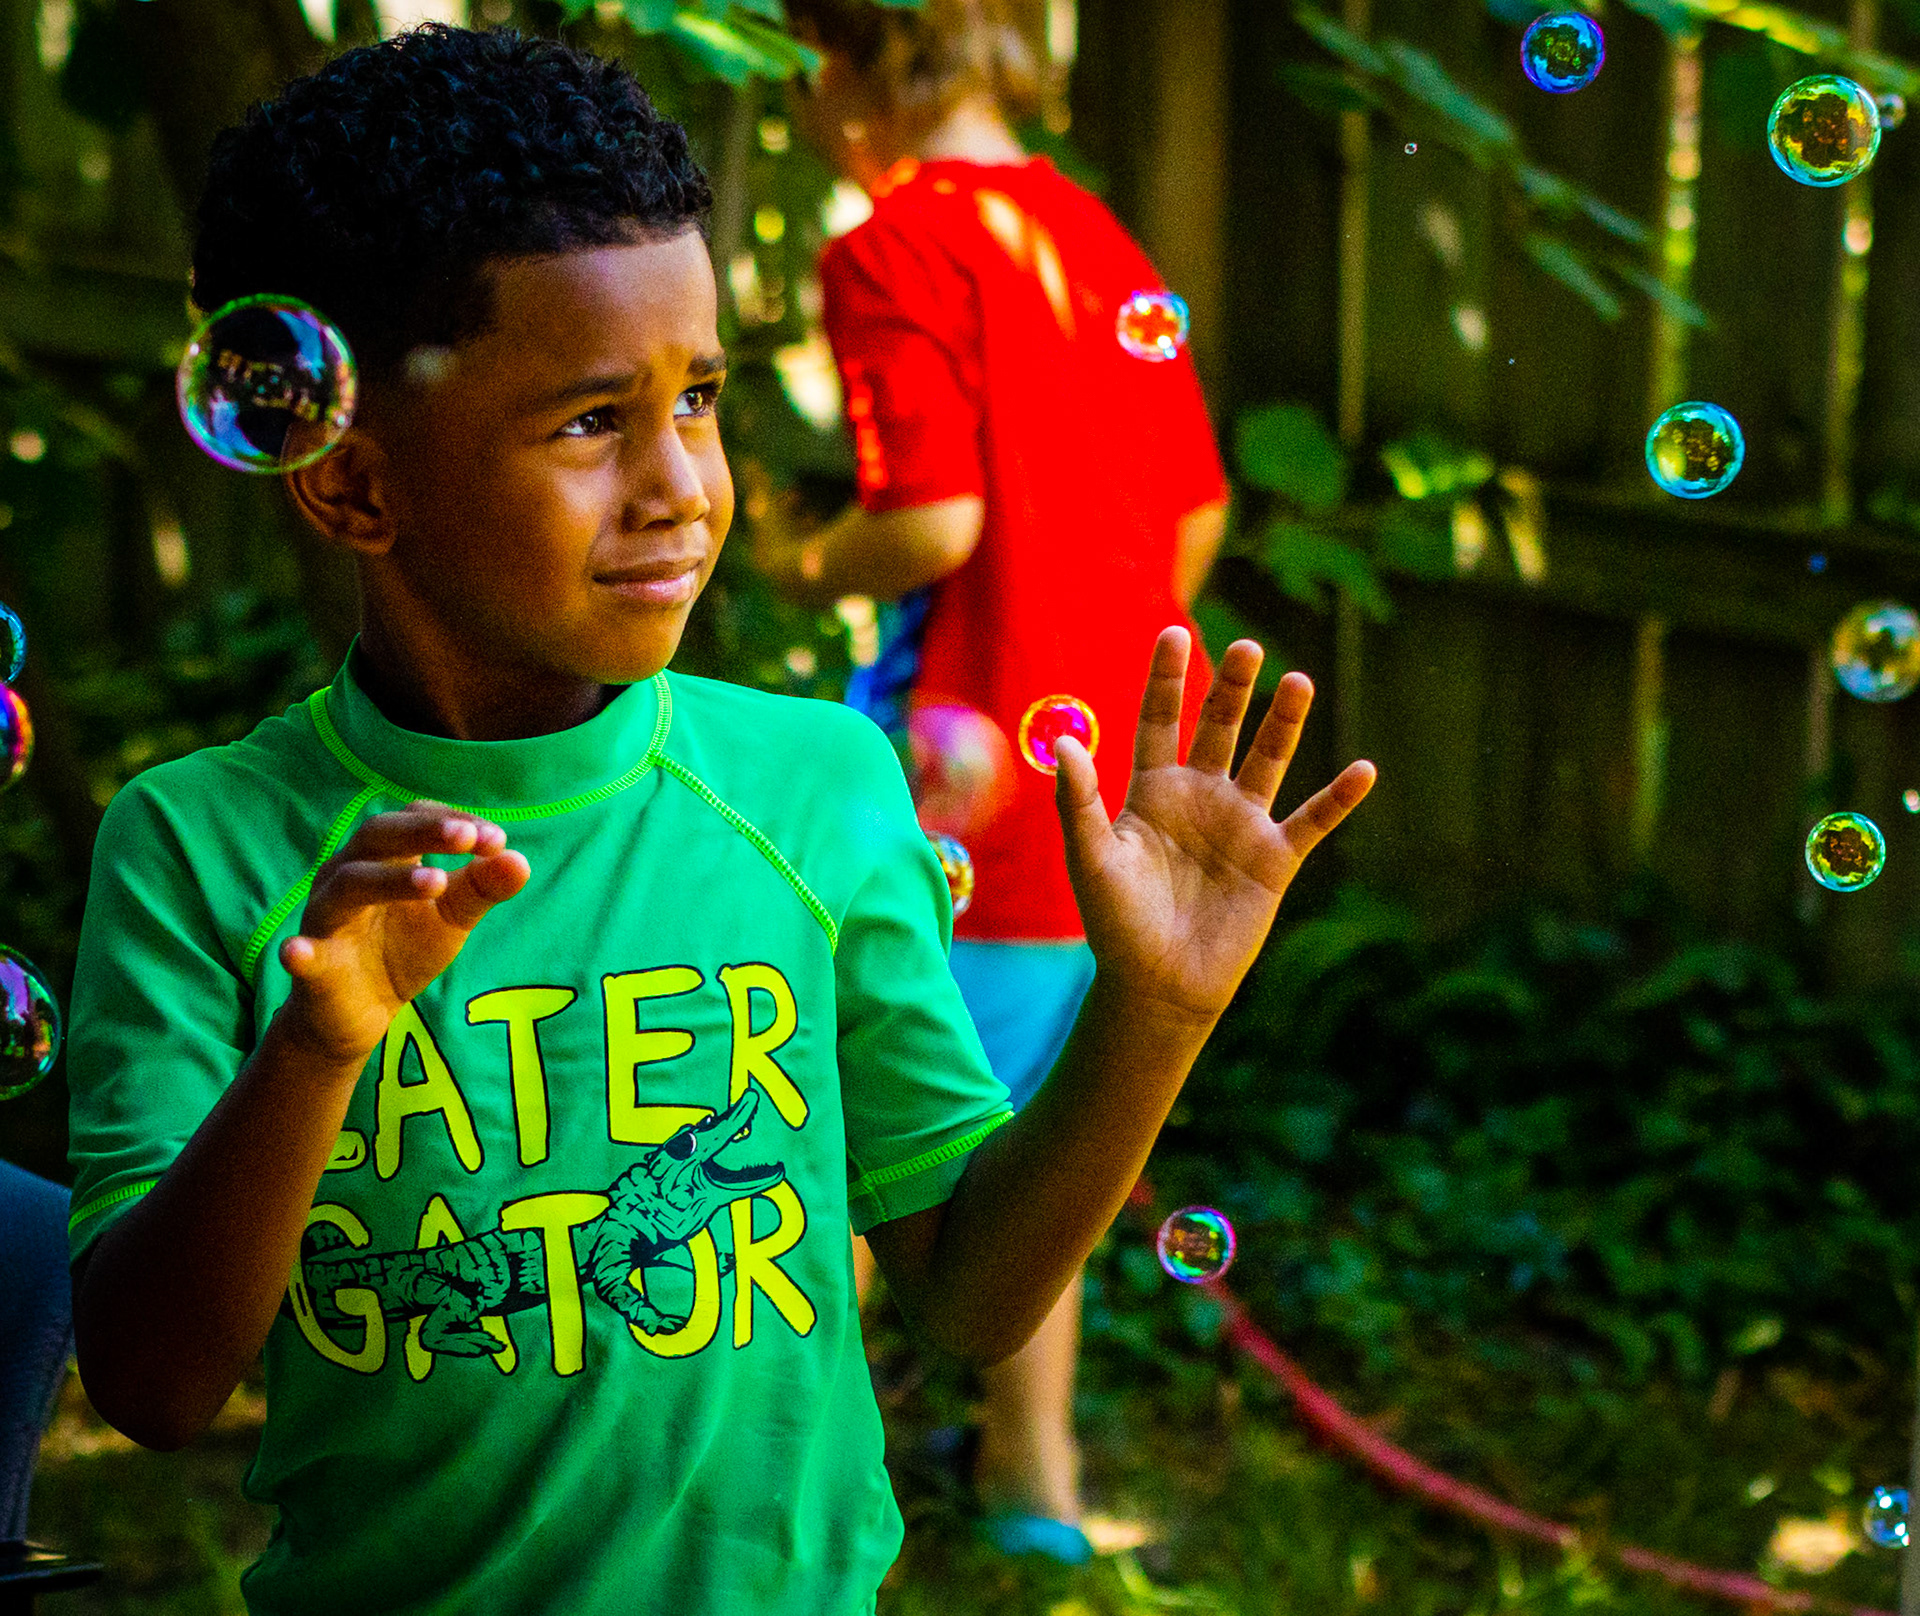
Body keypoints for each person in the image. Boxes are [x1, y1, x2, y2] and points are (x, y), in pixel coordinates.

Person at [62, 25, 1374, 1616]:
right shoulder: (201, 849)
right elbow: (153, 1386)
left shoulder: (815, 789)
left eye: (700, 401)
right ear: (350, 487)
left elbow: (968, 1295)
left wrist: (1155, 1015)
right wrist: (316, 1044)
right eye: (590, 423)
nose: (680, 482)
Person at [755, 0, 1231, 1562]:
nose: (808, 99)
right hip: (1102, 789)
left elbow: (937, 522)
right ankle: (1037, 1493)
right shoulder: (1095, 236)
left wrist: (796, 554)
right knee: (1028, 1151)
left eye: (811, 60)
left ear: (874, 64)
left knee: (836, 1143)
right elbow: (1194, 527)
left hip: (952, 788)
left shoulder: (892, 244)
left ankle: (767, 1484)